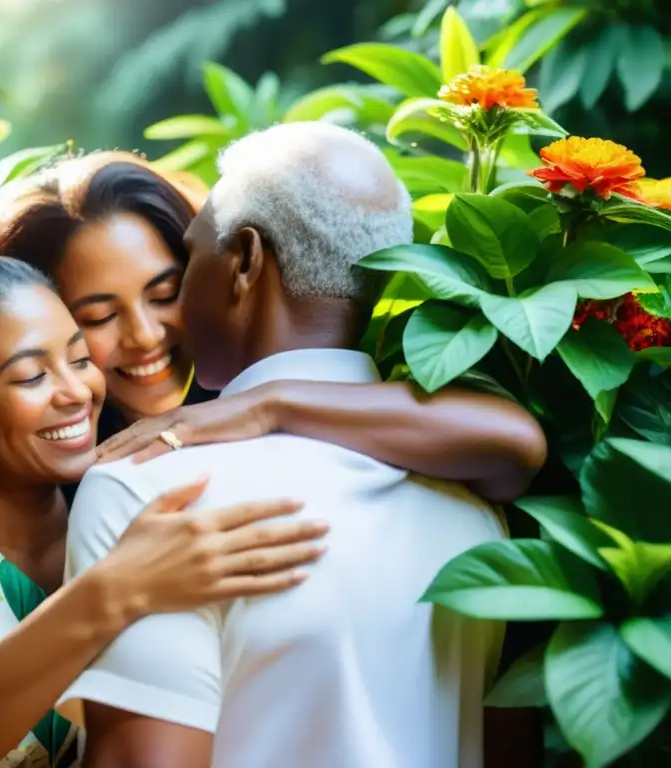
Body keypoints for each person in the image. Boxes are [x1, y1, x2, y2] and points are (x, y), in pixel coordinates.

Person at [59, 123, 534, 767]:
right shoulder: (475, 509)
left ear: (245, 260)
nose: (158, 327)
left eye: (187, 264)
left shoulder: (145, 491)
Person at [0, 237, 331, 768]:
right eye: (32, 375)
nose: (76, 391)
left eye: (80, 358)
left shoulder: (123, 521)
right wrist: (116, 590)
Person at [0, 151, 546, 503]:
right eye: (98, 316)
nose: (144, 335)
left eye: (166, 294)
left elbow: (512, 443)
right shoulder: (60, 480)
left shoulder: (268, 380)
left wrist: (267, 405)